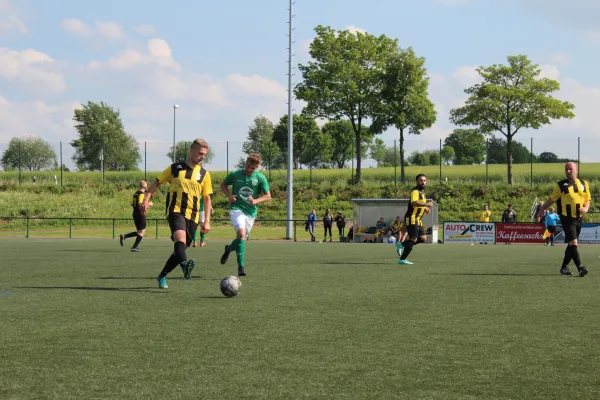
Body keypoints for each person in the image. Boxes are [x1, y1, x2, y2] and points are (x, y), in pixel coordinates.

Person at [141, 139, 213, 289]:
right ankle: (185, 267)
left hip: (192, 216)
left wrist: (206, 221)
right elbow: (156, 183)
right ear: (191, 151)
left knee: (180, 249)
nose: (202, 157)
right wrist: (146, 199)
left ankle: (162, 275)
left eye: (204, 154)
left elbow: (207, 198)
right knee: (179, 238)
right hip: (176, 210)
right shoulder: (175, 168)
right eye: (200, 153)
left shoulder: (205, 174)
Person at [219, 153, 272, 277]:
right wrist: (229, 196)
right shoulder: (235, 174)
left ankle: (228, 249)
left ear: (257, 168)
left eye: (252, 168)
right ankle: (241, 267)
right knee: (241, 234)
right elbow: (223, 185)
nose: (249, 170)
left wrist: (255, 201)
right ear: (246, 163)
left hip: (250, 213)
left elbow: (268, 196)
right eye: (248, 166)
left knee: (240, 239)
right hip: (236, 209)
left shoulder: (260, 178)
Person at [537, 162, 591, 277]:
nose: (568, 171)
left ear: (576, 170)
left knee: (571, 245)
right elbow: (551, 199)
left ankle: (563, 267)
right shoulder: (561, 185)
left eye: (570, 169)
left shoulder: (584, 184)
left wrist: (586, 208)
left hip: (579, 218)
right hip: (567, 218)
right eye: (566, 169)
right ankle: (580, 268)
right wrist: (541, 210)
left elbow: (587, 199)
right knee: (574, 243)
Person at [398, 174, 433, 264]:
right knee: (413, 239)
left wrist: (425, 208)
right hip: (411, 217)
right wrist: (427, 204)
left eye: (424, 180)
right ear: (417, 181)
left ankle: (401, 244)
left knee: (422, 238)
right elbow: (414, 203)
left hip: (418, 219)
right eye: (421, 180)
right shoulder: (415, 191)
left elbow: (419, 204)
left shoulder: (422, 192)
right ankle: (402, 259)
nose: (423, 182)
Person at [120, 180, 152, 252]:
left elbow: (132, 204)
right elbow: (141, 205)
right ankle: (134, 247)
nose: (147, 186)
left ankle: (124, 236)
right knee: (141, 232)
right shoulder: (141, 194)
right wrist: (149, 204)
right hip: (140, 214)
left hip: (135, 213)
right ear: (144, 186)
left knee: (139, 231)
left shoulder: (135, 194)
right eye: (146, 185)